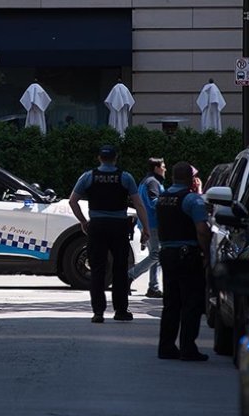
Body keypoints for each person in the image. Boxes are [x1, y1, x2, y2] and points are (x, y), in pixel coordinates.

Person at [68, 145, 151, 323]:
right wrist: (146, 228)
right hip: (119, 226)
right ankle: (121, 310)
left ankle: (98, 312)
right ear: (116, 158)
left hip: (97, 226)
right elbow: (139, 204)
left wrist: (83, 221)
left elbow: (72, 201)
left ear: (99, 158)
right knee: (120, 269)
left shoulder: (88, 176)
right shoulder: (125, 177)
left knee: (97, 269)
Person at [157, 161, 212, 361]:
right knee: (191, 302)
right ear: (190, 179)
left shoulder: (162, 198)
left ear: (172, 177)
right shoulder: (192, 200)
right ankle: (188, 347)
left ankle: (166, 346)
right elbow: (202, 230)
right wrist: (206, 253)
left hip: (167, 254)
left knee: (171, 302)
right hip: (187, 254)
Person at [128, 157, 166, 298]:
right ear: (156, 168)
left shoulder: (147, 180)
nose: (165, 169)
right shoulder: (153, 182)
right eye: (163, 166)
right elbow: (154, 203)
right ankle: (130, 276)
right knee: (156, 254)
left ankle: (153, 287)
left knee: (155, 255)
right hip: (153, 224)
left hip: (148, 223)